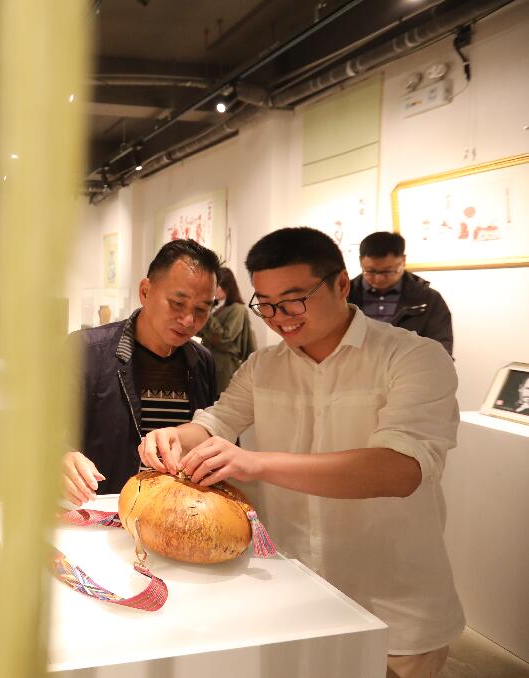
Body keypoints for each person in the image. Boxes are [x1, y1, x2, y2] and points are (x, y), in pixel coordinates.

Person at [139, 227, 463, 678]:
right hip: (290, 596)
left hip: (393, 604)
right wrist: (175, 436)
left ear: (341, 284)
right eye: (266, 304)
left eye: (293, 301)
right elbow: (217, 420)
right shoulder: (263, 366)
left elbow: (400, 469)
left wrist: (256, 463)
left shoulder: (413, 358)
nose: (279, 318)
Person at [62, 239, 219, 505]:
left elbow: (210, 438)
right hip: (103, 510)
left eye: (201, 310)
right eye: (177, 303)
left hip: (174, 511)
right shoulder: (87, 350)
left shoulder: (201, 361)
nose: (188, 320)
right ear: (145, 292)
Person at [349, 231, 454, 356]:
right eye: (370, 271)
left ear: (403, 261)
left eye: (388, 272)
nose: (379, 278)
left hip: (413, 366)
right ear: (360, 262)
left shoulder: (429, 299)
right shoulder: (344, 296)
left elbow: (441, 349)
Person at [199, 267, 256, 394]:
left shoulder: (237, 309)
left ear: (228, 287)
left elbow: (225, 338)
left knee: (221, 401)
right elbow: (202, 331)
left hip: (225, 368)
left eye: (217, 286)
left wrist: (208, 314)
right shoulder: (216, 307)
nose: (214, 289)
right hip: (210, 364)